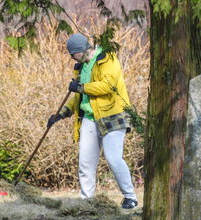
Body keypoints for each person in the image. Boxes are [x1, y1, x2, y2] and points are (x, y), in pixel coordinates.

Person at [47, 33, 137, 209]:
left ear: (80, 51)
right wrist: (62, 113)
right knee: (85, 162)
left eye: (72, 54)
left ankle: (130, 197)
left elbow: (107, 86)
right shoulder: (82, 67)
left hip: (113, 115)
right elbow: (80, 97)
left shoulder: (107, 59)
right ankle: (86, 201)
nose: (71, 57)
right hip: (90, 117)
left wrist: (80, 87)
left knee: (113, 158)